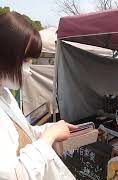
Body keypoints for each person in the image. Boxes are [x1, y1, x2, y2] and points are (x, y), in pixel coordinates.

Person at [0, 12, 76, 179]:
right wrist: (50, 136)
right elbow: (14, 175)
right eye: (25, 60)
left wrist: (48, 129)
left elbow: (20, 133)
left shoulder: (4, 93)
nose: (28, 69)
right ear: (5, 55)